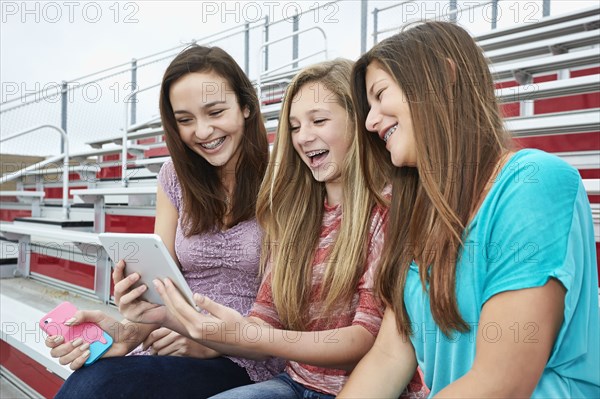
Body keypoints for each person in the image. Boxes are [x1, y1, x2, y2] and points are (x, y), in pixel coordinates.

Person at [116, 59, 426, 398]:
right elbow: (264, 323)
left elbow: (362, 338)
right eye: (293, 127)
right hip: (294, 383)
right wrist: (164, 316)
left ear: (358, 121)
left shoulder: (387, 210)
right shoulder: (296, 216)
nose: (303, 137)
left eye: (318, 120)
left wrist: (249, 335)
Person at [337, 21, 600, 398]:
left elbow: (501, 385)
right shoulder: (418, 213)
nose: (370, 120)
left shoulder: (534, 182)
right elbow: (388, 357)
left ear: (444, 77)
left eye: (380, 95)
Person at [45, 44, 284, 398]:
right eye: (185, 120)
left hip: (247, 351)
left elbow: (285, 309)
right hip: (173, 336)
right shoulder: (173, 176)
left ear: (246, 106)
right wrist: (128, 330)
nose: (202, 131)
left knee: (99, 388)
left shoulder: (284, 178)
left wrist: (210, 341)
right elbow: (163, 282)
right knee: (89, 383)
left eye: (215, 112)